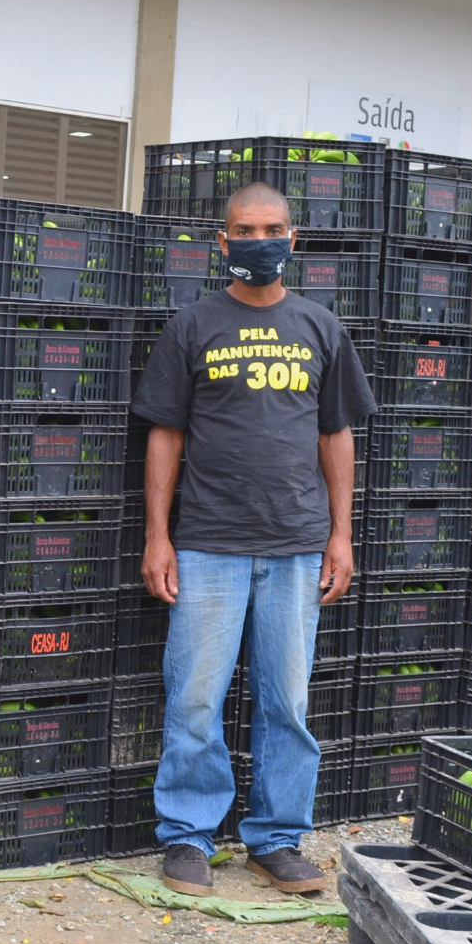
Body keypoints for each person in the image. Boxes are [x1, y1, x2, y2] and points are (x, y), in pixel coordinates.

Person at [132, 180, 374, 897]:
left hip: (297, 544)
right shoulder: (193, 324)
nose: (259, 239)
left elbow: (338, 436)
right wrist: (158, 535)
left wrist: (342, 535)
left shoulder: (320, 327)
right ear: (223, 240)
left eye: (272, 227)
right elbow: (164, 435)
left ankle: (277, 837)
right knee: (196, 697)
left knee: (286, 702)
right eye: (245, 228)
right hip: (208, 541)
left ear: (292, 240)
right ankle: (186, 837)